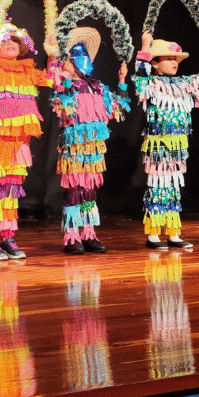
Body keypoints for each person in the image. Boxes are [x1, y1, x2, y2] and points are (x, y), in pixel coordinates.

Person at [0, 22, 52, 261]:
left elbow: (52, 78)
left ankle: (7, 236)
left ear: (22, 48)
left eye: (15, 41)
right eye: (5, 41)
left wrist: (53, 52)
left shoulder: (27, 70)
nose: (10, 44)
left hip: (19, 141)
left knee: (11, 189)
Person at [49, 26, 129, 254]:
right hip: (74, 149)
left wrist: (122, 82)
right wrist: (63, 82)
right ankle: (71, 237)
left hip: (93, 152)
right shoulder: (64, 88)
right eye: (76, 57)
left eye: (83, 55)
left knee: (89, 191)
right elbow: (62, 110)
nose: (81, 61)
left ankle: (89, 234)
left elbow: (118, 109)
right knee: (75, 190)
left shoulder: (98, 88)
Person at [133, 32, 199, 250]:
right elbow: (140, 76)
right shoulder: (150, 82)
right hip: (158, 145)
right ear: (155, 64)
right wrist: (144, 49)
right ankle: (153, 235)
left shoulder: (185, 83)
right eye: (168, 59)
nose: (174, 62)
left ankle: (174, 233)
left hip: (178, 148)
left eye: (175, 59)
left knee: (174, 189)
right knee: (157, 187)